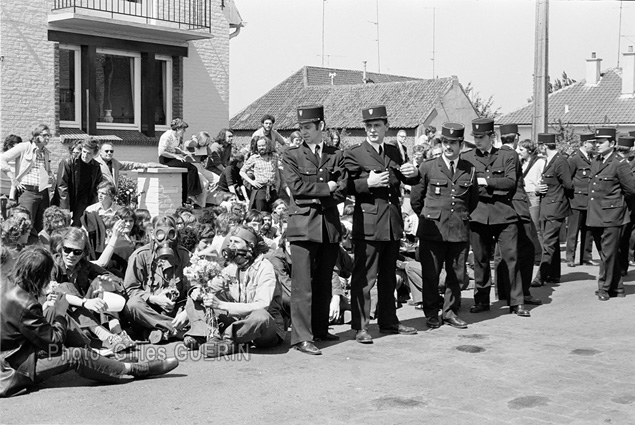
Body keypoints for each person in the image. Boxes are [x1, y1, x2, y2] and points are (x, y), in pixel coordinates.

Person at [0, 246, 179, 398]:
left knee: (57, 309)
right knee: (77, 355)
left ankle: (100, 360)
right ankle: (133, 368)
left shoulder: (6, 284)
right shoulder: (25, 304)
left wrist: (53, 308)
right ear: (38, 275)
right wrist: (60, 313)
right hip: (14, 369)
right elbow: (53, 342)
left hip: (15, 352)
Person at [344, 105, 420, 344]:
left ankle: (389, 321)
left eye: (377, 125)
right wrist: (369, 181)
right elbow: (346, 185)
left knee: (388, 276)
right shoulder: (355, 153)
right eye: (369, 126)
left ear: (387, 126)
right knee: (364, 278)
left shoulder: (394, 151)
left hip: (391, 222)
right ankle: (361, 326)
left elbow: (407, 177)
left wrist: (414, 172)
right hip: (367, 223)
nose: (373, 130)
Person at [281, 105, 348, 355]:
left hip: (328, 226)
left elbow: (343, 188)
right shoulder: (291, 155)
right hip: (302, 226)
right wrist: (326, 189)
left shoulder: (335, 155)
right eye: (301, 128)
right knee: (302, 285)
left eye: (308, 127)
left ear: (321, 126)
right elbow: (296, 188)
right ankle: (301, 338)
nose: (304, 132)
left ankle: (320, 329)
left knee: (323, 282)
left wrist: (323, 193)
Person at [410, 122, 478, 329]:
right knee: (431, 274)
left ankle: (449, 312)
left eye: (453, 143)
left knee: (456, 275)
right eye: (445, 142)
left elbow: (472, 201)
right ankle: (431, 313)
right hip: (433, 230)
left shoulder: (470, 169)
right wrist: (430, 217)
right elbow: (416, 199)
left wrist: (460, 217)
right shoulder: (428, 166)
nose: (448, 147)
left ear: (461, 145)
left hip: (458, 229)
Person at [462, 118, 528, 316]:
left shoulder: (507, 156)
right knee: (480, 261)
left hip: (504, 215)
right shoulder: (467, 158)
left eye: (482, 137)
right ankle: (481, 300)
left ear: (492, 137)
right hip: (478, 216)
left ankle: (517, 302)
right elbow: (467, 186)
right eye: (475, 137)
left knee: (511, 259)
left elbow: (510, 182)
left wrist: (485, 182)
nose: (478, 141)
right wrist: (492, 186)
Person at [192, 225, 286, 357]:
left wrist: (221, 305)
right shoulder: (233, 268)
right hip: (240, 323)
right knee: (197, 295)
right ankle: (205, 336)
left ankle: (227, 340)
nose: (231, 246)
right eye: (230, 242)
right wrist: (198, 292)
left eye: (236, 242)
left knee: (260, 316)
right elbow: (210, 286)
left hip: (265, 329)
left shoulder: (265, 267)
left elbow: (262, 305)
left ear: (250, 246)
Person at [123, 215, 192, 342]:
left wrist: (185, 311)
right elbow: (130, 289)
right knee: (133, 305)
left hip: (176, 310)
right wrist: (155, 299)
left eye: (171, 234)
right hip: (149, 311)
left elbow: (193, 288)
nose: (166, 239)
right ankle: (178, 330)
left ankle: (157, 332)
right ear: (152, 234)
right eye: (160, 234)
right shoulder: (140, 256)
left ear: (175, 233)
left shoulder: (183, 255)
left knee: (198, 305)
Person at [496, 124, 542, 306]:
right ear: (515, 137)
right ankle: (522, 292)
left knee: (502, 252)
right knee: (526, 249)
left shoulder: (497, 154)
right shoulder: (512, 155)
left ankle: (503, 290)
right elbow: (513, 183)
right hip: (517, 206)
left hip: (502, 207)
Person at [586, 128, 635, 300]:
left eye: (601, 142)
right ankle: (618, 287)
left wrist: (619, 207)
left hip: (612, 215)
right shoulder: (596, 161)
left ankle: (604, 288)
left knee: (607, 253)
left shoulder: (619, 163)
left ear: (612, 144)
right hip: (597, 214)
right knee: (605, 253)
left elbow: (631, 190)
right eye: (596, 142)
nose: (597, 145)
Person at [531, 134, 573, 288]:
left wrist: (559, 198)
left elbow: (568, 184)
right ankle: (554, 274)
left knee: (548, 243)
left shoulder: (560, 161)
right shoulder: (550, 161)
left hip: (555, 208)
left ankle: (540, 277)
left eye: (539, 145)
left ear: (544, 146)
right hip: (547, 206)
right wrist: (538, 190)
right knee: (552, 241)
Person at [0, 125, 56, 232]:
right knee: (24, 227)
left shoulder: (46, 152)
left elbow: (45, 171)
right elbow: (2, 159)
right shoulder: (25, 147)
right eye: (45, 135)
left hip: (43, 192)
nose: (48, 138)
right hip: (27, 192)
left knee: (41, 229)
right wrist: (13, 179)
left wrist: (50, 177)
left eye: (49, 135)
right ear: (36, 135)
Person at [57, 137, 103, 227]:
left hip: (83, 201)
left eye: (89, 153)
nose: (85, 155)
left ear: (95, 154)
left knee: (76, 227)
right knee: (63, 226)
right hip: (67, 198)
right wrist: (65, 209)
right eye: (84, 152)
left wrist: (95, 207)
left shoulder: (96, 167)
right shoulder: (68, 162)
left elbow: (97, 188)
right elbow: (62, 186)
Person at [565, 132, 596, 267]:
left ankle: (586, 256)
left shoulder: (593, 158)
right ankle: (570, 257)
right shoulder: (574, 159)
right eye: (592, 143)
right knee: (573, 231)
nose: (595, 145)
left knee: (588, 231)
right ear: (585, 143)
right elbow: (567, 179)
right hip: (576, 200)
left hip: (589, 200)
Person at [157, 118, 202, 205]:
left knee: (185, 174)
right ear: (178, 129)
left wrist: (182, 152)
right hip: (165, 160)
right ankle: (191, 194)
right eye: (183, 129)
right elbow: (162, 152)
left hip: (171, 158)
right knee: (192, 168)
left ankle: (184, 199)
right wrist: (176, 156)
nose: (184, 131)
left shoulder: (176, 137)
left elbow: (173, 148)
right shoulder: (166, 136)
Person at [517, 139, 546, 263]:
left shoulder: (539, 162)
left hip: (533, 195)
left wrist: (537, 188)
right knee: (524, 227)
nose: (519, 152)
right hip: (523, 195)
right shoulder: (521, 162)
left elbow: (543, 177)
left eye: (522, 149)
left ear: (529, 150)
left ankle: (540, 254)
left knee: (535, 227)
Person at [95, 142, 164, 190]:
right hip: (99, 195)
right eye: (106, 151)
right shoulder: (95, 163)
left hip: (111, 195)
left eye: (111, 151)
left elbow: (128, 165)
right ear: (100, 152)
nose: (109, 153)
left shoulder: (115, 163)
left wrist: (145, 165)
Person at [240, 136, 280, 212]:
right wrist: (252, 182)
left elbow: (276, 170)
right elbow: (242, 172)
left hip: (272, 189)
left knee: (275, 212)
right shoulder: (254, 158)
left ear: (268, 145)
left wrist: (278, 184)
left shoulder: (274, 156)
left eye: (263, 145)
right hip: (260, 189)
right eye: (259, 146)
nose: (261, 147)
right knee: (260, 213)